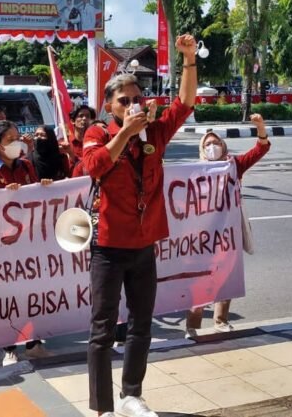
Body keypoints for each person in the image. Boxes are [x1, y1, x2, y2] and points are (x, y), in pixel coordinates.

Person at [82, 34, 198, 417]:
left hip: (144, 246)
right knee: (102, 331)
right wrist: (126, 134)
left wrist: (189, 59)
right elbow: (95, 166)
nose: (135, 105)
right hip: (109, 247)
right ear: (111, 107)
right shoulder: (98, 133)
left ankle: (132, 394)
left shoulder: (155, 134)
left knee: (141, 324)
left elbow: (185, 103)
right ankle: (102, 408)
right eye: (125, 101)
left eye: (138, 98)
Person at [0, 120, 53, 365]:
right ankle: (8, 347)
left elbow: (35, 198)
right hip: (0, 247)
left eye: (17, 137)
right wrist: (3, 198)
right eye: (10, 139)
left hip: (26, 242)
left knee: (29, 294)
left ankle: (32, 342)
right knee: (7, 298)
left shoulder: (26, 166)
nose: (16, 142)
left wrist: (43, 188)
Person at [184, 114, 270, 339]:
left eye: (216, 142)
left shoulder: (234, 166)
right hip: (202, 235)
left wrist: (260, 127)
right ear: (202, 150)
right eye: (207, 144)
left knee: (226, 275)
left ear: (223, 146)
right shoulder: (192, 172)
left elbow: (260, 149)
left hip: (227, 233)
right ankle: (192, 326)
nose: (212, 146)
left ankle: (221, 321)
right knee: (200, 280)